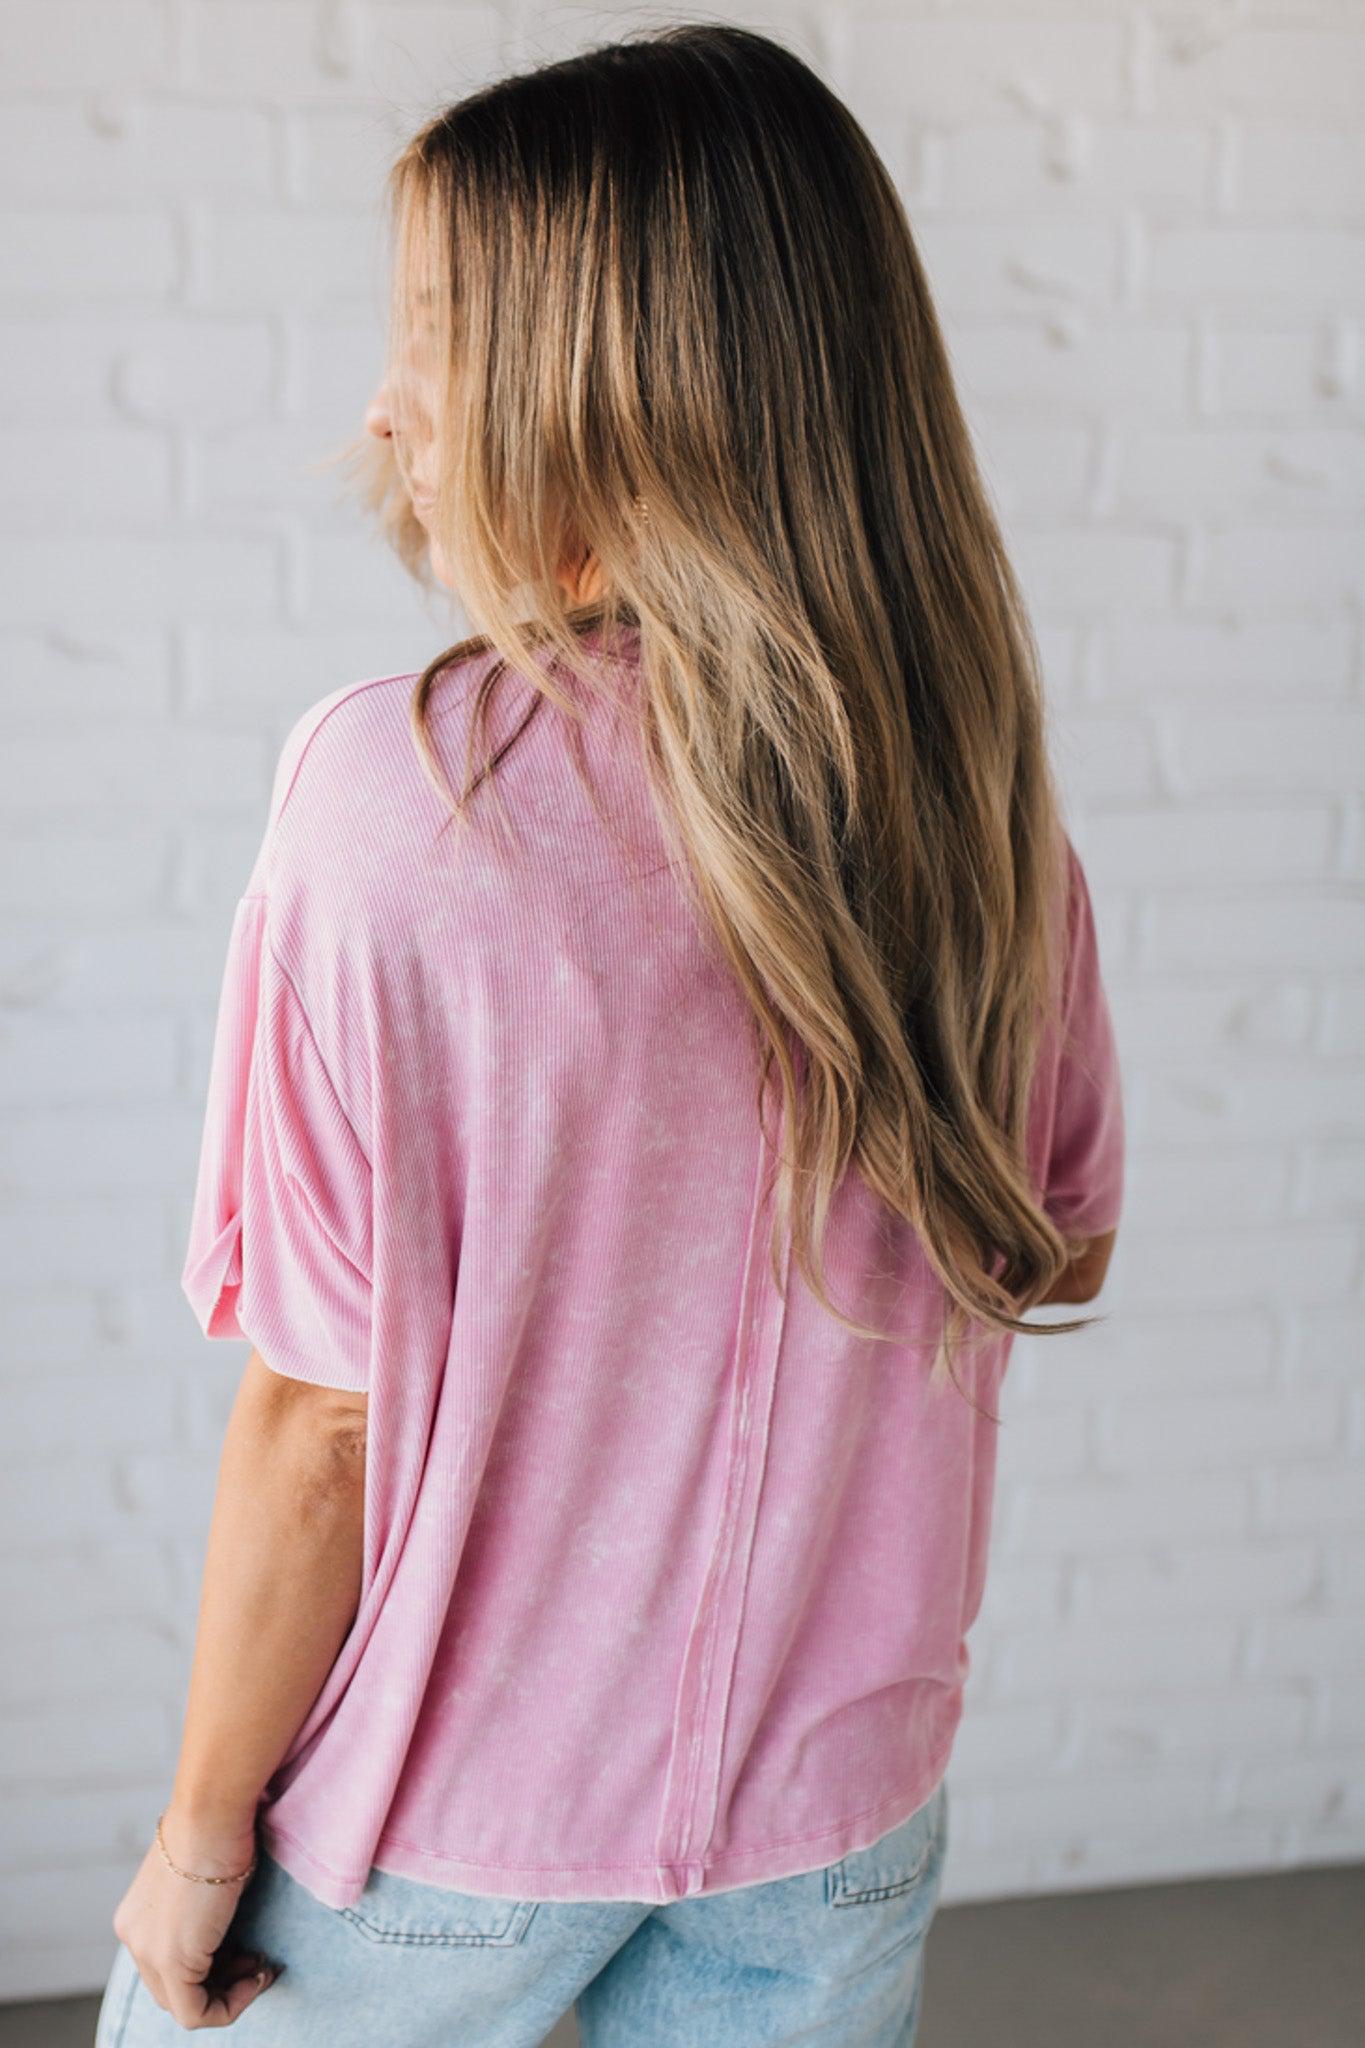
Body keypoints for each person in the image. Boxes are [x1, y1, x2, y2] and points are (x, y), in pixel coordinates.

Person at [94, 22, 1125, 2046]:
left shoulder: (395, 796)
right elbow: (1050, 1243)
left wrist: (203, 1826)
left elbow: (317, 1420)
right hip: (830, 1810)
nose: (390, 405)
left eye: (434, 331)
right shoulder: (984, 820)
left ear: (615, 381)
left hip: (440, 1837)